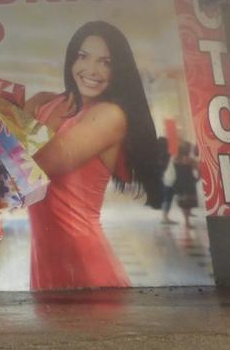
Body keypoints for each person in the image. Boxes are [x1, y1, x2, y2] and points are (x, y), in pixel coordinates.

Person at [24, 20, 162, 291]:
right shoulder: (45, 102)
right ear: (72, 59)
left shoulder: (110, 116)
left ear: (118, 69)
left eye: (105, 62)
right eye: (83, 56)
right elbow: (3, 157)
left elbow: (35, 165)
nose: (92, 70)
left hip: (88, 269)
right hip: (43, 266)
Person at [170, 142, 201, 230]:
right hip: (189, 182)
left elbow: (171, 170)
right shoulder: (190, 160)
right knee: (189, 201)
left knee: (183, 202)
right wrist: (197, 178)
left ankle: (186, 220)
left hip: (178, 182)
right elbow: (199, 169)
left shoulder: (175, 159)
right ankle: (187, 221)